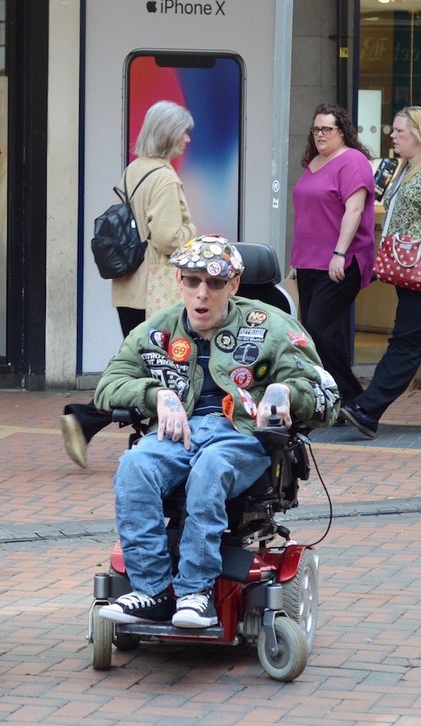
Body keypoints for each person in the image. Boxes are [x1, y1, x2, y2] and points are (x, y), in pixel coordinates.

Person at [94, 235, 338, 628]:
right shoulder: (158, 329)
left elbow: (323, 392)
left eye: (214, 282)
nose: (202, 293)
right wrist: (156, 394)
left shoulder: (270, 324)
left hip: (240, 434)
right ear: (179, 281)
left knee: (210, 468)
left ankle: (195, 592)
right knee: (134, 467)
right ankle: (152, 590)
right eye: (192, 281)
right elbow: (108, 384)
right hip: (177, 434)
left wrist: (284, 392)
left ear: (234, 284)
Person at [62, 100, 198, 468]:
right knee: (156, 366)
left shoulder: (134, 170)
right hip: (157, 290)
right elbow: (170, 238)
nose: (187, 139)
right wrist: (193, 231)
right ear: (169, 134)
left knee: (141, 363)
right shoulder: (167, 178)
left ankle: (89, 422)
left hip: (128, 286)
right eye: (183, 131)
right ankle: (89, 421)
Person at [341, 106, 421, 439]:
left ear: (417, 134)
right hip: (410, 271)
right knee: (407, 340)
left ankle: (368, 408)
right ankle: (367, 407)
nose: (392, 135)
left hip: (417, 270)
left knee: (406, 342)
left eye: (399, 131)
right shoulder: (403, 170)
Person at [290, 102, 376, 405]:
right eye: (316, 129)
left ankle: (353, 398)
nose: (320, 134)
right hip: (308, 261)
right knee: (320, 334)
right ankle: (334, 400)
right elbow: (308, 214)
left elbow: (353, 210)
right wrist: (297, 260)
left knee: (319, 329)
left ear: (342, 131)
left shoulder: (353, 161)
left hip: (340, 261)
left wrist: (339, 253)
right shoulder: (312, 161)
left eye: (327, 129)